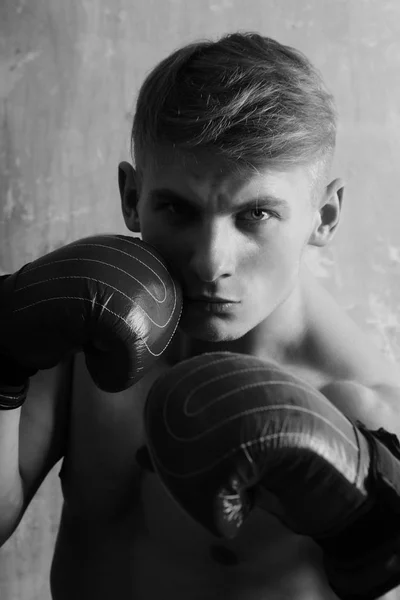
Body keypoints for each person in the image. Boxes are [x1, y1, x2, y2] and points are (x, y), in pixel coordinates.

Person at [1, 31, 400, 600]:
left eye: (255, 214)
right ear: (131, 197)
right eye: (177, 209)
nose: (211, 262)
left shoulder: (365, 407)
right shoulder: (82, 329)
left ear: (325, 216)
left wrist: (374, 526)